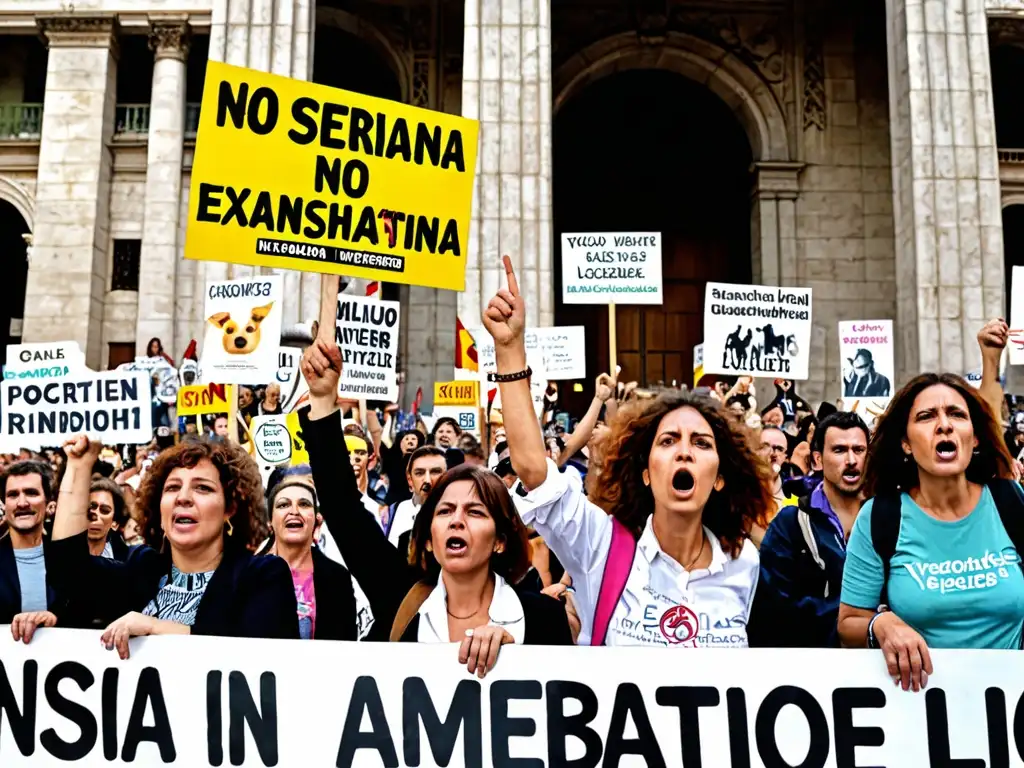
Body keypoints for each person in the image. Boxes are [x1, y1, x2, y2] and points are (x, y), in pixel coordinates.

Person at [493, 256, 770, 647]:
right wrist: (508, 350)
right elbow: (534, 470)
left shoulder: (744, 564)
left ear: (721, 476)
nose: (685, 452)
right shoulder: (600, 547)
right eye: (668, 441)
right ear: (645, 471)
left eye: (702, 443)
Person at [299, 335, 572, 675]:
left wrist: (515, 658)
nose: (457, 520)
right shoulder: (401, 598)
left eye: (475, 511)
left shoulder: (541, 619)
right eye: (444, 511)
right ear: (429, 537)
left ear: (501, 539)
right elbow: (343, 509)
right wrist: (324, 400)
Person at [838, 373, 1024, 692]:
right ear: (906, 443)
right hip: (922, 719)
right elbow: (848, 624)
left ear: (975, 437)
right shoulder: (881, 517)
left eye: (956, 414)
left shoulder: (1012, 502)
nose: (944, 425)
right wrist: (880, 624)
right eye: (926, 417)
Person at [44, 437, 298, 659]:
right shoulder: (142, 567)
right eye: (172, 488)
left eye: (202, 488)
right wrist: (79, 464)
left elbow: (256, 657)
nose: (183, 497)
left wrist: (154, 628)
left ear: (230, 508)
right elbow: (67, 571)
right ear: (159, 507)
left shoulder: (262, 575)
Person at [749, 412, 868, 647]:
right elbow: (774, 607)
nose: (851, 459)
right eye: (839, 450)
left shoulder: (887, 519)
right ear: (817, 460)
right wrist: (858, 619)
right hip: (810, 669)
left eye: (859, 450)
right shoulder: (791, 523)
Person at [257, 479, 357, 640]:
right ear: (270, 521)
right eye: (283, 505)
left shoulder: (338, 578)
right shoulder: (246, 576)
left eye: (304, 504)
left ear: (317, 519)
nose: (294, 511)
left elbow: (345, 645)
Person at [3, 461, 70, 642]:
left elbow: (87, 615)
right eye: (13, 495)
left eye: (31, 493)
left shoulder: (69, 559)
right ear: (4, 504)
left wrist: (54, 620)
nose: (22, 503)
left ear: (48, 502)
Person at [386, 445, 448, 553]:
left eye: (435, 472)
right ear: (410, 480)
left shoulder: (457, 515)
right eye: (419, 473)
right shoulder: (392, 512)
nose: (427, 480)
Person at [87, 477, 131, 560]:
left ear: (115, 523)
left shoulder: (125, 561)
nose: (95, 515)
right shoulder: (62, 549)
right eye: (92, 507)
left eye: (104, 510)